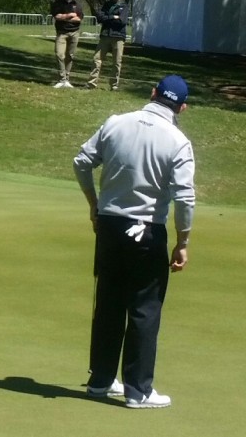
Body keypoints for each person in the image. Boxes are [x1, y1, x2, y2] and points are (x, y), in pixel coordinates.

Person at [73, 75, 195, 409]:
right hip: (147, 230)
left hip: (110, 226)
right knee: (144, 308)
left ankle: (100, 381)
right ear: (182, 107)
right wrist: (183, 240)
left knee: (109, 302)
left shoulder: (116, 123)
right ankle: (138, 391)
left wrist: (93, 204)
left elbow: (81, 163)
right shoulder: (178, 141)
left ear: (152, 92)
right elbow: (185, 198)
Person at [87, 0, 129, 91]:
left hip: (118, 36)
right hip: (105, 35)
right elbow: (100, 17)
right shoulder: (107, 5)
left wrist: (108, 19)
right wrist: (112, 17)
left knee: (116, 62)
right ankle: (92, 83)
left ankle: (114, 85)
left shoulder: (124, 6)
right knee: (97, 59)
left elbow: (122, 21)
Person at [50, 0, 83, 88]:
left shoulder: (77, 4)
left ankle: (67, 79)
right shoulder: (58, 3)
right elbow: (57, 17)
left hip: (74, 32)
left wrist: (64, 17)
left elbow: (79, 18)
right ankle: (61, 79)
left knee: (70, 56)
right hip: (61, 33)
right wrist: (70, 15)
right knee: (59, 54)